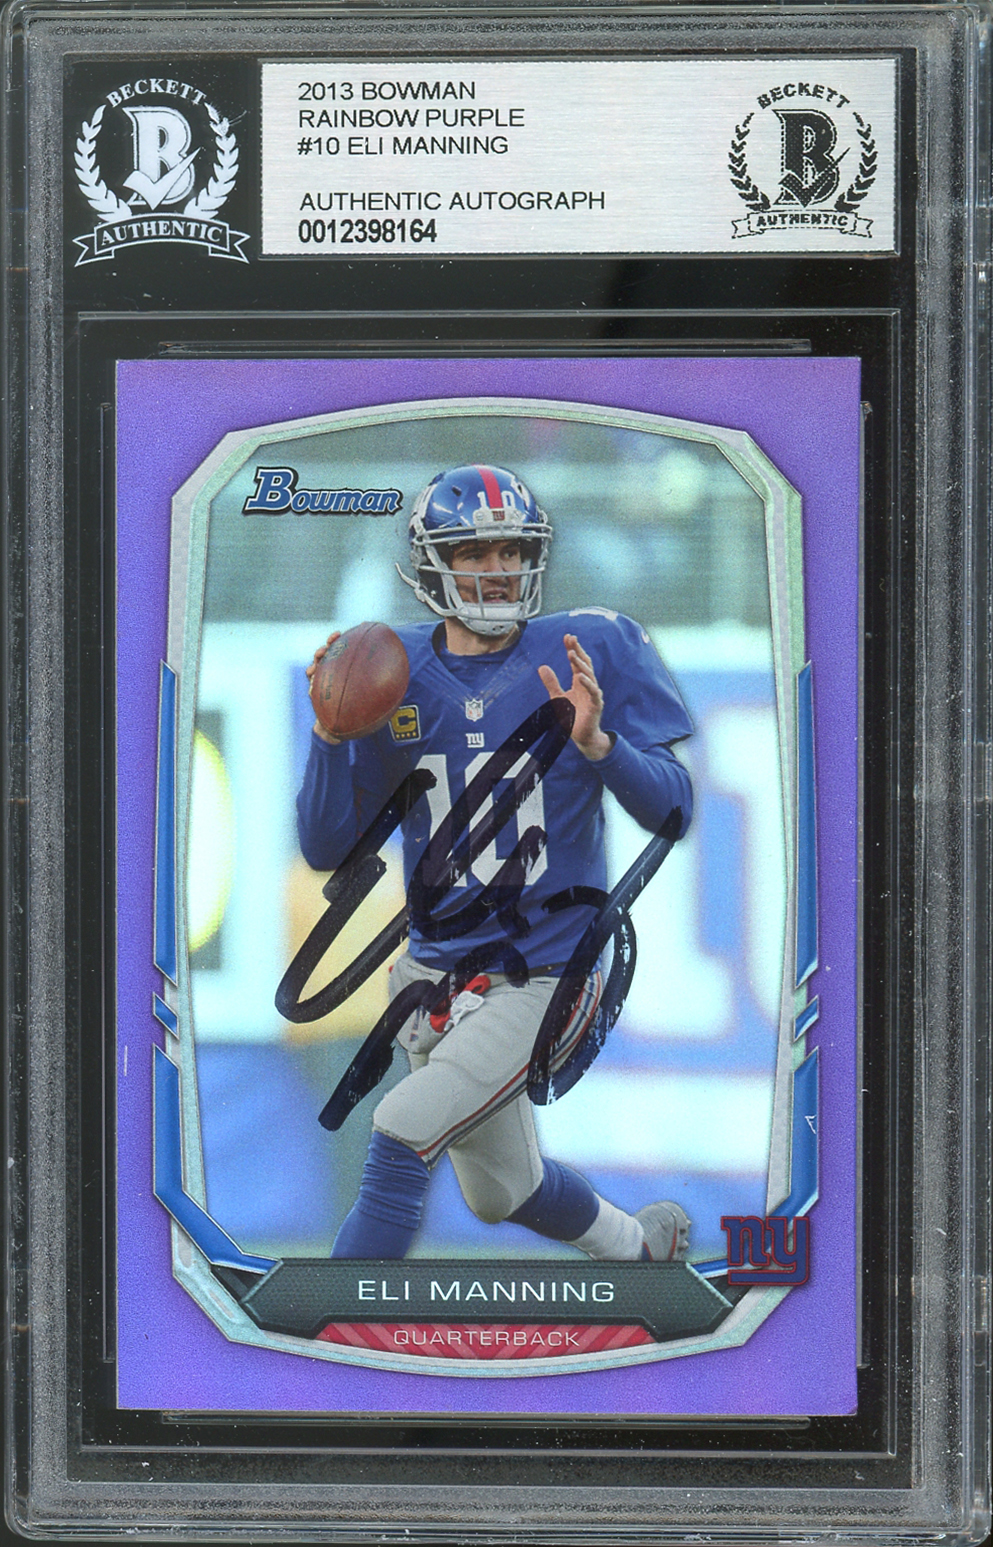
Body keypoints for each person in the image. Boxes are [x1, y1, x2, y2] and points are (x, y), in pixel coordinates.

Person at [297, 464, 694, 1262]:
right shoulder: (391, 667)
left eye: (511, 549)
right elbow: (326, 849)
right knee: (503, 1191)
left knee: (400, 1125)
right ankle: (640, 1250)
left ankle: (329, 1315)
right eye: (474, 552)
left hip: (543, 974)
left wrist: (599, 745)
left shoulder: (589, 646)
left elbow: (671, 809)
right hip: (430, 975)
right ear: (431, 564)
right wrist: (330, 739)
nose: (497, 568)